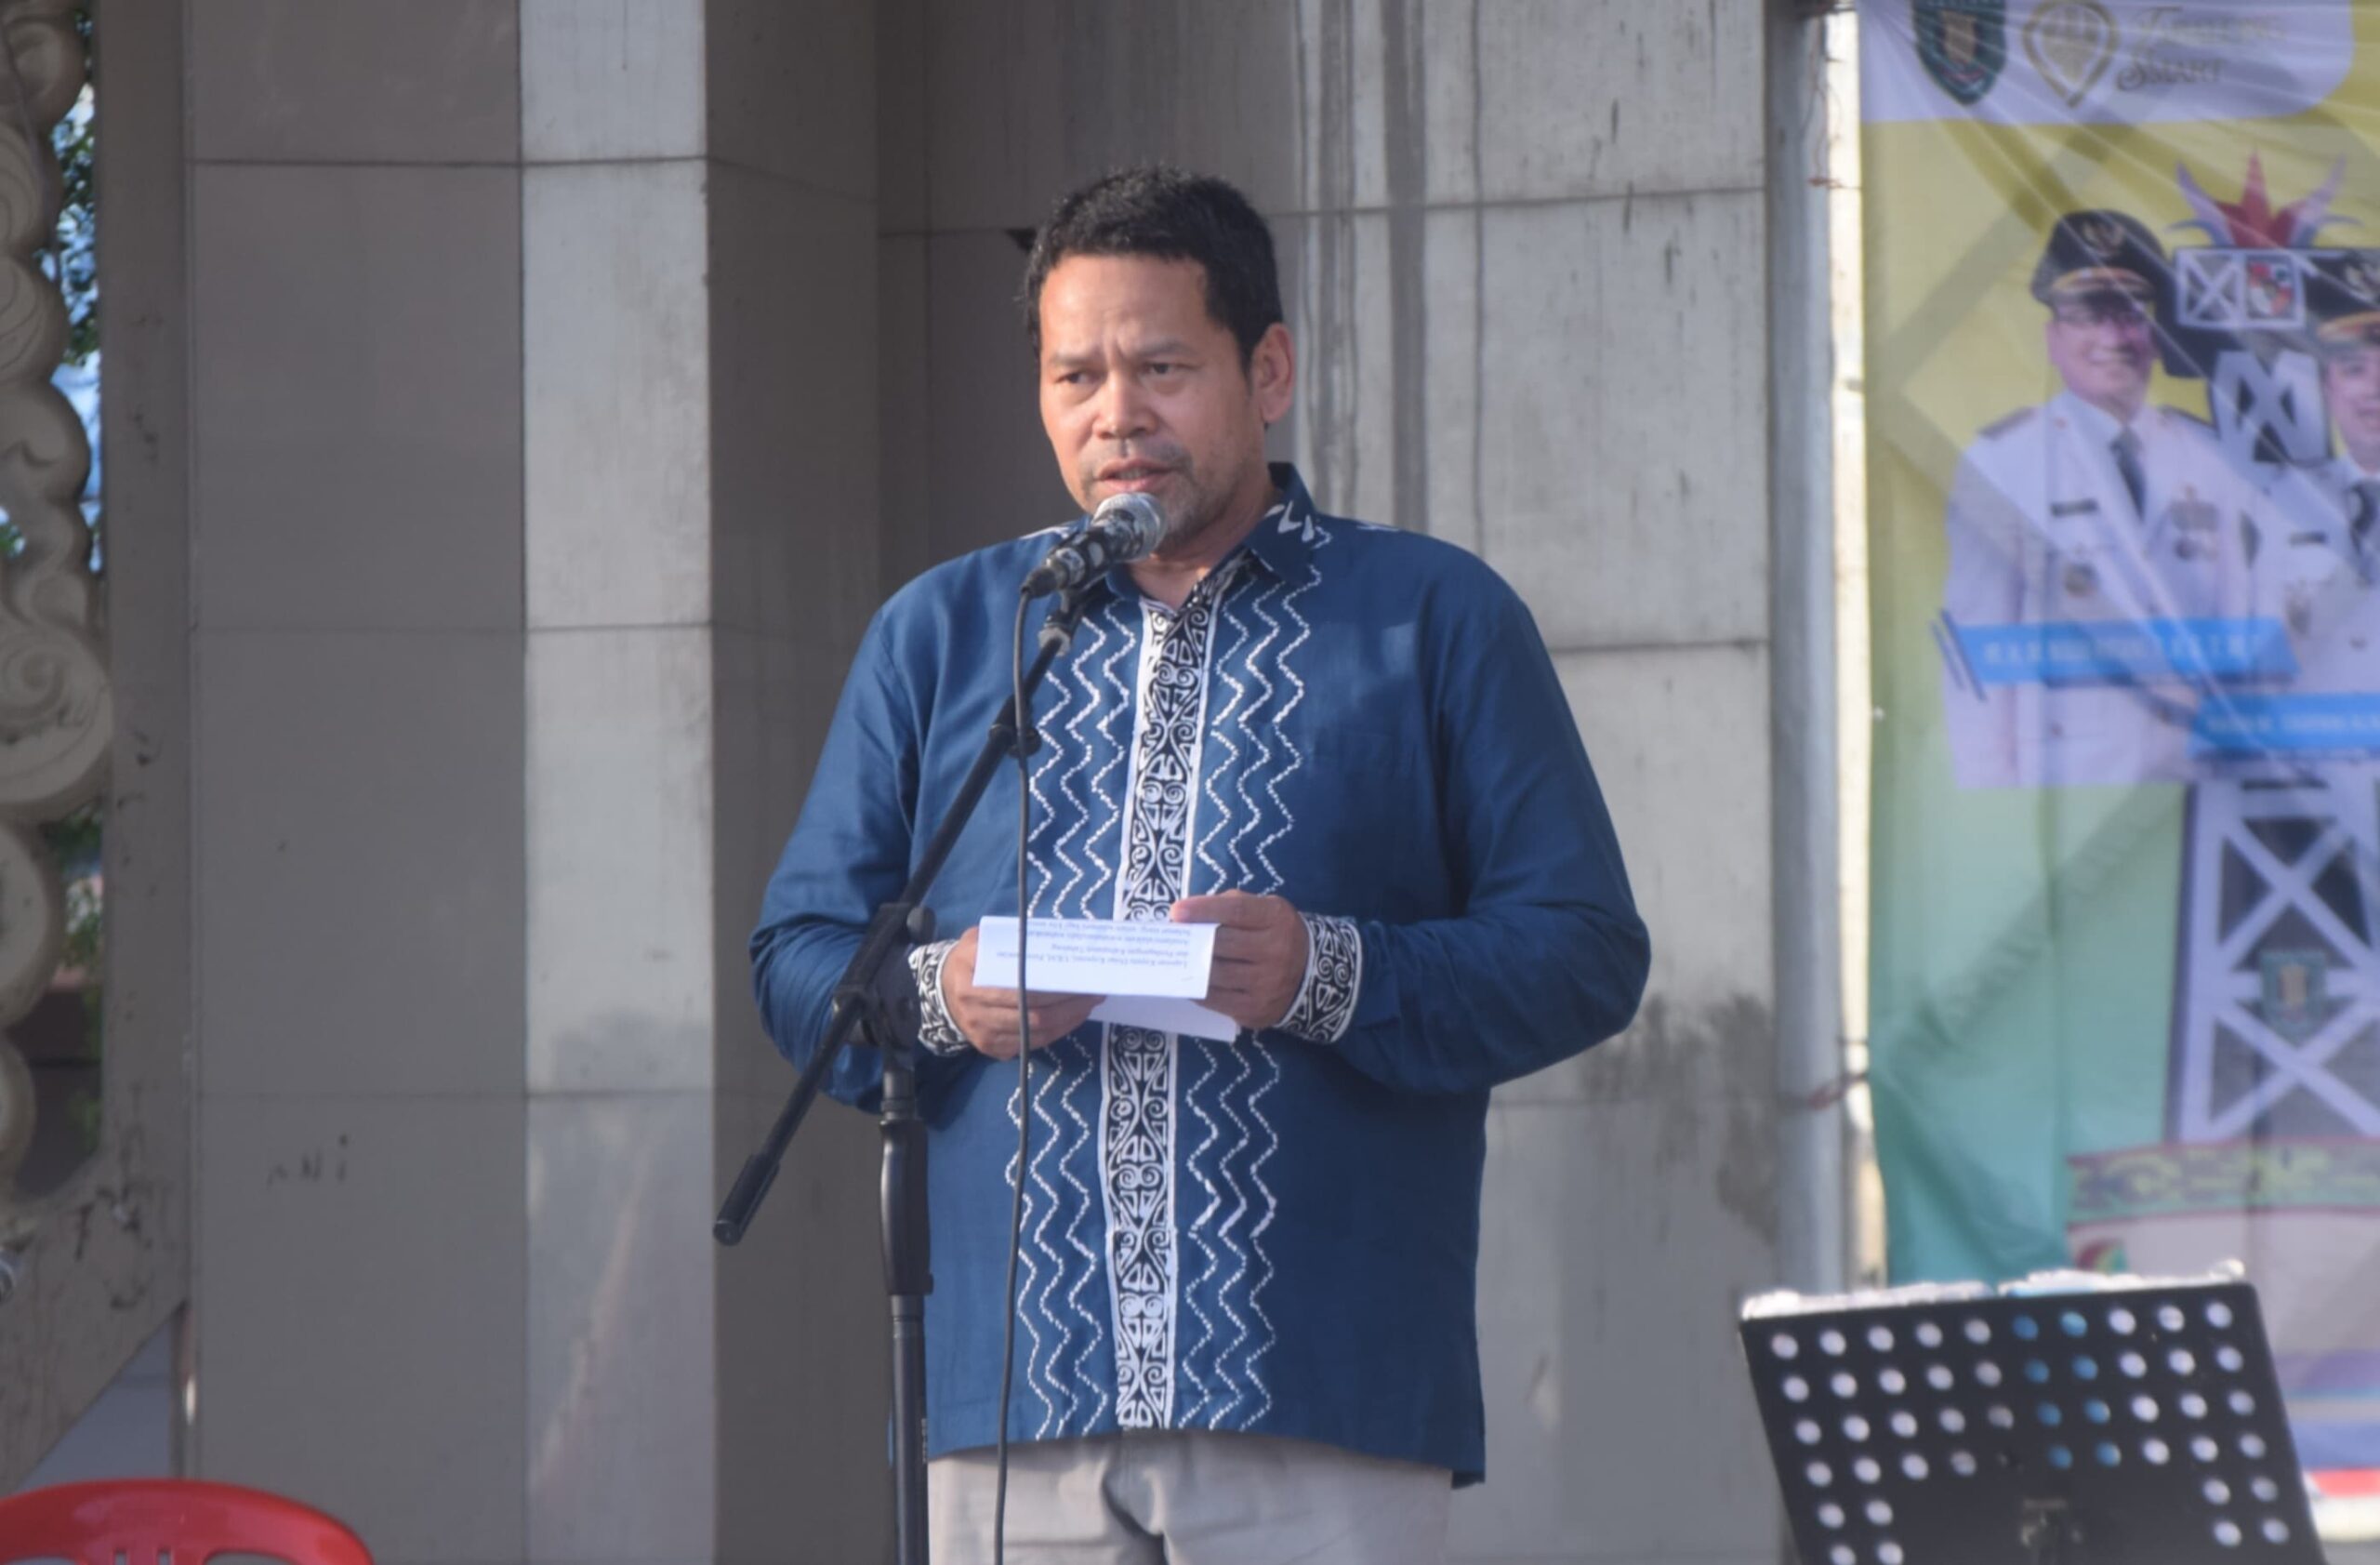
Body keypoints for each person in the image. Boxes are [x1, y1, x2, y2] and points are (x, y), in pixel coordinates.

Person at [750, 167, 1648, 1564]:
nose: (1117, 415)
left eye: (1161, 367)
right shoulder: (947, 631)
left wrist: (1328, 969)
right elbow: (799, 956)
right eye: (1076, 376)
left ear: (1267, 370)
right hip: (1008, 1406)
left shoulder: (1431, 617)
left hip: (1315, 1393)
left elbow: (1583, 948)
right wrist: (943, 995)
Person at [1938, 209, 2263, 789]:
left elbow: (2239, 625)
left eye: (2132, 313)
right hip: (2068, 788)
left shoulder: (2211, 458)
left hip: (2196, 775)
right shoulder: (2005, 463)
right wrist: (1988, 789)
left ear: (2154, 336)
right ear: (2053, 339)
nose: (2114, 337)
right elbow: (1978, 643)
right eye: (2089, 316)